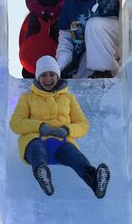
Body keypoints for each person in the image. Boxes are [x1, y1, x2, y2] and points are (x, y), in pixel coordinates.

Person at [10, 55, 110, 198]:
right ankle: (43, 175)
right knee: (37, 150)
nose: (48, 79)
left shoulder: (68, 98)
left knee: (74, 156)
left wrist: (67, 130)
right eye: (43, 75)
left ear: (58, 76)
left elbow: (83, 124)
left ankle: (94, 180)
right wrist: (39, 126)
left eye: (52, 74)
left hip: (61, 142)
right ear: (38, 77)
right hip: (34, 139)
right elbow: (15, 123)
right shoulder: (27, 98)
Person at [57, 0, 120, 79]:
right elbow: (66, 42)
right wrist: (58, 66)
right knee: (81, 81)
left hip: (118, 37)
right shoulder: (69, 6)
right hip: (90, 50)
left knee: (93, 25)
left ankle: (104, 71)